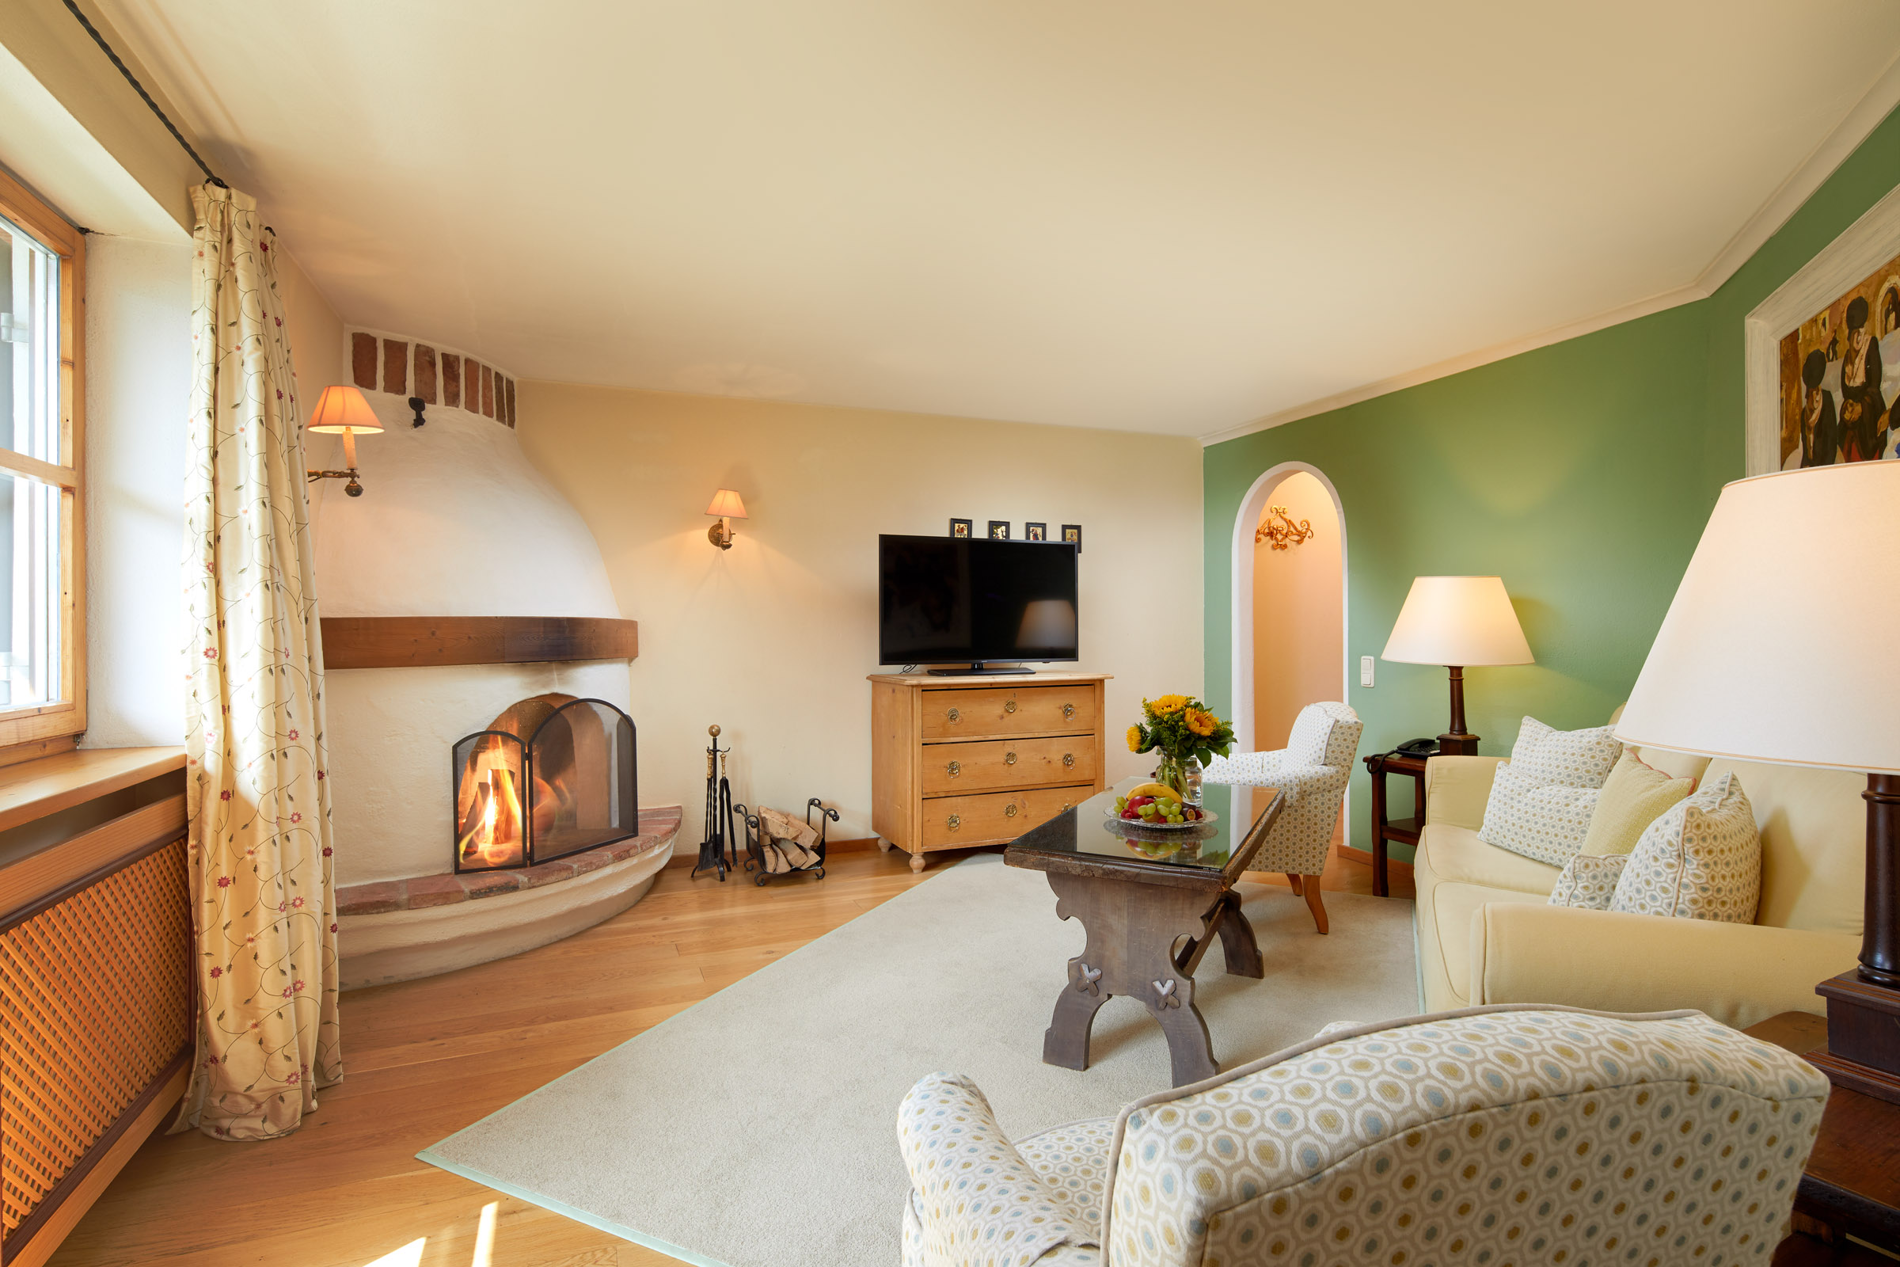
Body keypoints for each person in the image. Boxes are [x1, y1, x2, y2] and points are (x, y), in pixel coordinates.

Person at [1838, 295, 1885, 462]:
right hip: (1851, 421)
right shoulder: (1847, 357)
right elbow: (1846, 393)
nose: (1857, 337)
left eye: (1860, 332)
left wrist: (1861, 407)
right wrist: (1848, 407)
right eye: (1854, 333)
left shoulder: (1871, 345)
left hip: (1869, 416)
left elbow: (1874, 387)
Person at [1799, 349, 1840, 466]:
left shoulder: (1827, 402)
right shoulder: (1804, 415)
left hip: (1826, 467)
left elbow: (1831, 445)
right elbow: (1806, 454)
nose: (1813, 398)